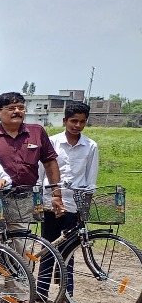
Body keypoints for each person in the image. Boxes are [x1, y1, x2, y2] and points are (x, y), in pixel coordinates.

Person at [0, 92, 65, 219]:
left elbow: (50, 163)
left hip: (25, 199)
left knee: (23, 232)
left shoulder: (36, 132)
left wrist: (56, 194)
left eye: (21, 108)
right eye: (11, 108)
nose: (17, 111)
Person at [45, 101, 99, 244]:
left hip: (75, 203)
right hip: (52, 202)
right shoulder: (52, 142)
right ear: (65, 121)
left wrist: (85, 208)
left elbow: (91, 177)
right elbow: (42, 171)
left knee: (69, 246)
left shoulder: (91, 146)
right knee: (49, 244)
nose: (78, 125)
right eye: (74, 121)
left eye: (82, 122)